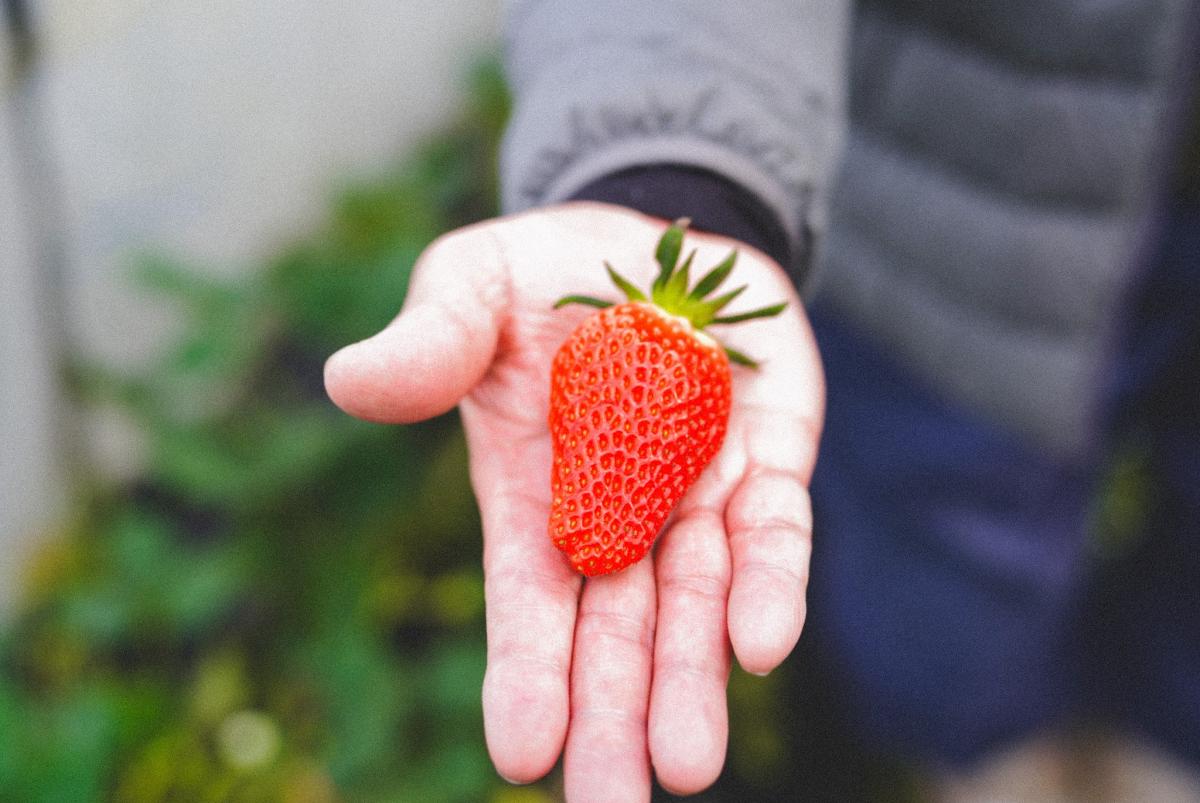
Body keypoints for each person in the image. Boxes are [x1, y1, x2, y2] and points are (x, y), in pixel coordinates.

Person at [325, 2, 1200, 800]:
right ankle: (985, 752)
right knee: (949, 586)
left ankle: (1161, 738)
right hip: (947, 261)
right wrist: (671, 176)